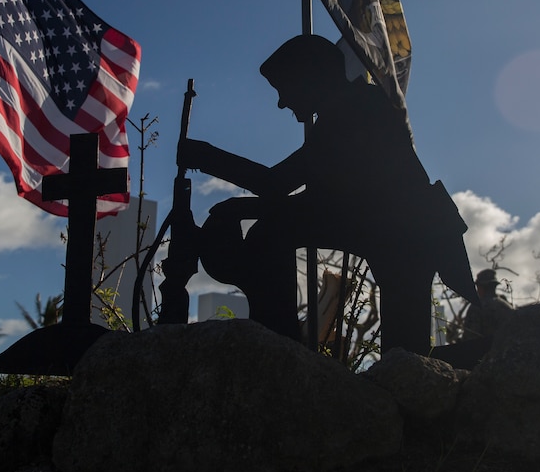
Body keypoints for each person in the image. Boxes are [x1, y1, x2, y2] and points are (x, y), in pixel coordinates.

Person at [176, 35, 478, 354]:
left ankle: (279, 350)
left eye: (283, 89)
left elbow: (285, 188)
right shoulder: (346, 112)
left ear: (309, 78)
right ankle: (280, 344)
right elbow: (313, 199)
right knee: (404, 357)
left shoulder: (356, 111)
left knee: (406, 358)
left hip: (407, 240)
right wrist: (243, 205)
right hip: (397, 238)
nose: (281, 102)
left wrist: (208, 159)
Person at [462, 269, 513, 339]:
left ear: (482, 287)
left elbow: (469, 338)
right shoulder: (507, 306)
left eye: (478, 287)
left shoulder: (477, 307)